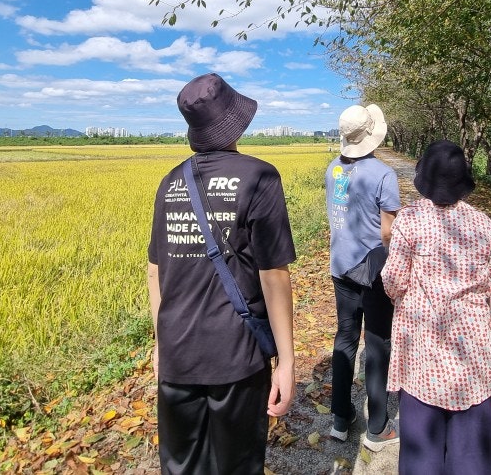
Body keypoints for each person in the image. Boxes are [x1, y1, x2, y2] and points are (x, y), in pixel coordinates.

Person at [147, 73, 296, 474]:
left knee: (181, 467)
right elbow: (273, 275)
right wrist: (286, 360)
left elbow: (154, 271)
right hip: (236, 356)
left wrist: (161, 345)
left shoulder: (170, 182)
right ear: (235, 121)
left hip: (177, 352)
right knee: (237, 465)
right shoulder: (260, 176)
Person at [382, 140, 491, 474]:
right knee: (473, 458)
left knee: (421, 453)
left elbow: (393, 281)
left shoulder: (408, 221)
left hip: (421, 349)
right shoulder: (485, 226)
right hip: (474, 353)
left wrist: (407, 298)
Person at [326, 103, 401, 451]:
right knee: (376, 342)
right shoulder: (383, 174)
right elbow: (388, 233)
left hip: (341, 266)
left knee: (345, 337)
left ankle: (341, 419)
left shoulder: (333, 169)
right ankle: (377, 427)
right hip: (372, 271)